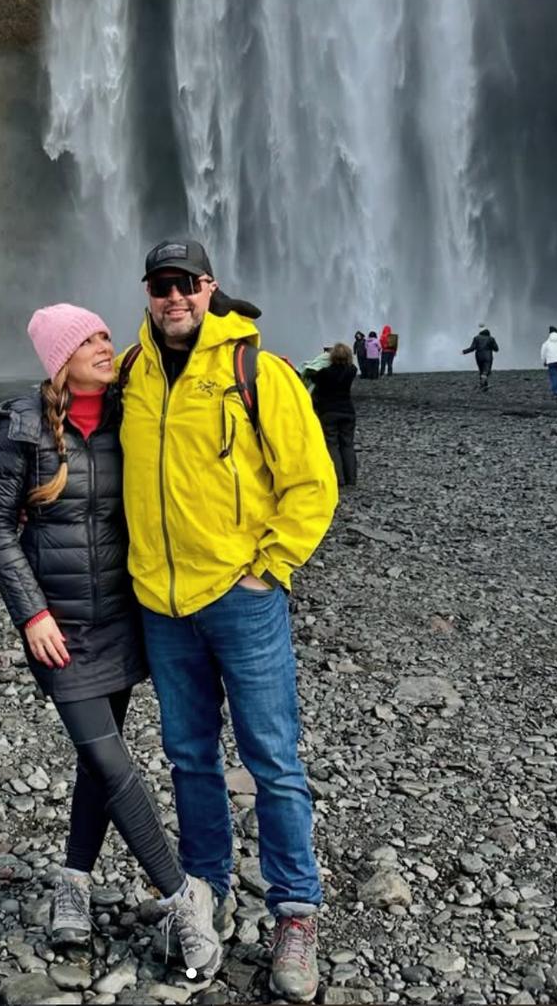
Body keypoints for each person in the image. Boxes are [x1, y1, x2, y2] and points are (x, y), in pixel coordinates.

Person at [119, 238, 338, 1004]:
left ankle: (296, 912)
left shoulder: (259, 372)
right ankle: (202, 893)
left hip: (240, 599)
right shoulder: (131, 375)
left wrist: (267, 570)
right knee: (188, 758)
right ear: (146, 292)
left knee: (273, 758)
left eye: (185, 282)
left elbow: (312, 482)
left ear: (210, 287)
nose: (173, 296)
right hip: (162, 604)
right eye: (160, 284)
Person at [0, 304, 221, 980]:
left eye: (107, 334)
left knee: (97, 762)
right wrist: (32, 615)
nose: (104, 345)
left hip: (122, 617)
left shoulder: (126, 416)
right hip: (60, 631)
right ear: (59, 356)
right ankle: (181, 901)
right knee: (114, 764)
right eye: (87, 340)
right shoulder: (22, 428)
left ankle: (73, 883)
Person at [307, 342, 358, 489]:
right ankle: (351, 478)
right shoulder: (352, 371)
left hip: (329, 412)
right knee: (348, 444)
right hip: (348, 411)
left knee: (332, 444)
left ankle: (338, 478)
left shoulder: (324, 373)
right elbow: (349, 367)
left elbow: (312, 376)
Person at [462, 325, 499, 390]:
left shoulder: (476, 338)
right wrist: (491, 344)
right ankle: (483, 382)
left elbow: (472, 348)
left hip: (478, 356)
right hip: (488, 356)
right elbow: (496, 349)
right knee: (487, 370)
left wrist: (464, 352)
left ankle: (484, 385)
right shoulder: (491, 338)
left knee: (481, 370)